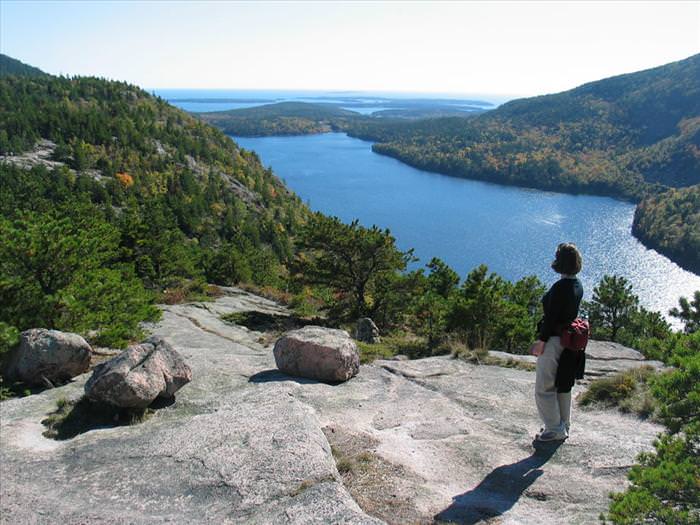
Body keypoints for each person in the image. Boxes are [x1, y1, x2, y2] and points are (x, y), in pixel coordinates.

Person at [529, 243, 583, 442]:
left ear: (559, 262)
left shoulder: (560, 287)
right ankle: (563, 425)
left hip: (553, 341)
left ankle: (554, 429)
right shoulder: (577, 285)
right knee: (563, 385)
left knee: (544, 388)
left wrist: (541, 342)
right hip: (568, 342)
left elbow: (551, 318)